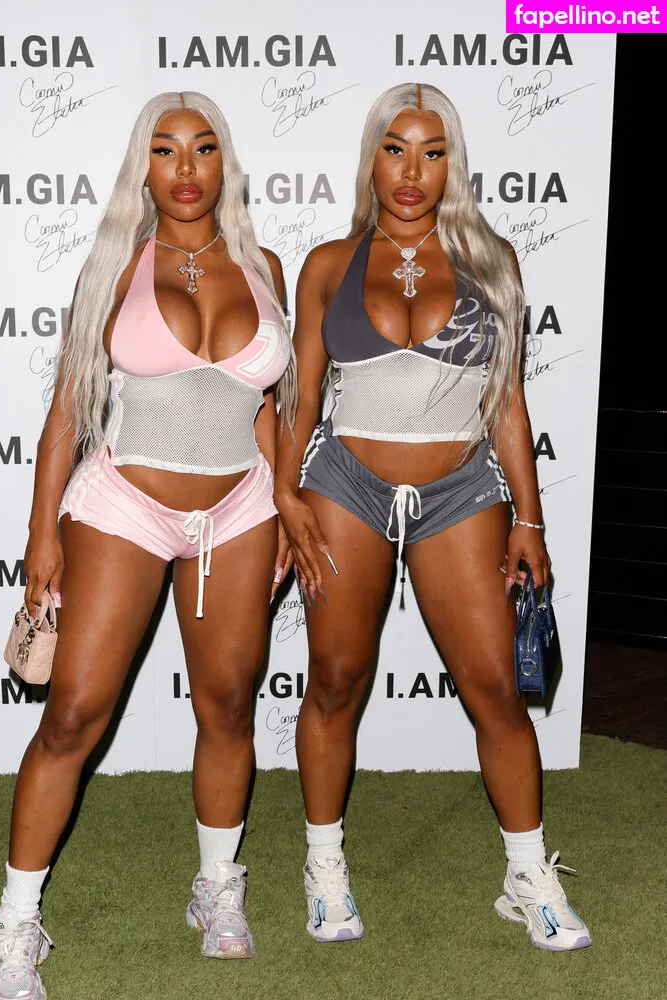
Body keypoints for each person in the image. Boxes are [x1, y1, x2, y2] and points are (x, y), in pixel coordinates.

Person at [0, 91, 295, 1000]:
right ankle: (15, 923)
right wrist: (41, 533)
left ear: (225, 162)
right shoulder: (116, 265)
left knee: (229, 705)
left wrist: (284, 505)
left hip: (241, 508)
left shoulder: (265, 267)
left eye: (203, 148)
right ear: (143, 166)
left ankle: (217, 888)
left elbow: (267, 411)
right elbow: (67, 410)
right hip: (123, 502)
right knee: (73, 714)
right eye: (165, 150)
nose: (186, 168)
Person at [272, 82, 590, 952]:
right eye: (395, 149)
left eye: (432, 151)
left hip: (460, 490)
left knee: (495, 689)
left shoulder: (491, 258)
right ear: (371, 157)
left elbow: (507, 401)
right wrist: (285, 495)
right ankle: (324, 867)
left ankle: (526, 875)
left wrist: (529, 520)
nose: (411, 171)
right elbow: (301, 398)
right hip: (345, 486)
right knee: (335, 680)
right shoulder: (328, 264)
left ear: (453, 163)